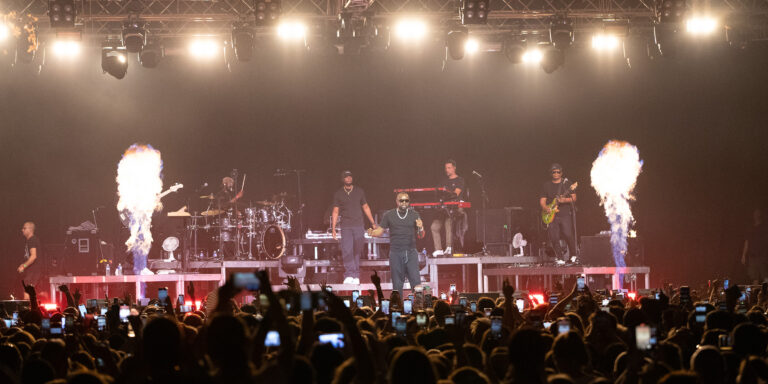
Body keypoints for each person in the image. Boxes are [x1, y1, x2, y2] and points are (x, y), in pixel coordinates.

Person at [369, 192, 425, 293]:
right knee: (397, 284)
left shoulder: (415, 214)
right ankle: (398, 306)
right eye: (401, 200)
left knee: (416, 283)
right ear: (397, 201)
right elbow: (380, 231)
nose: (404, 202)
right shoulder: (389, 215)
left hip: (411, 252)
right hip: (396, 253)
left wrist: (420, 227)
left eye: (406, 200)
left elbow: (421, 235)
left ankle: (418, 306)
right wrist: (372, 233)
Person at [332, 170, 377, 285]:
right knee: (347, 250)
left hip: (358, 225)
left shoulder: (359, 191)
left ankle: (355, 275)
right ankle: (349, 274)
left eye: (350, 177)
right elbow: (335, 211)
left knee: (357, 250)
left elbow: (366, 207)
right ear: (343, 179)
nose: (348, 178)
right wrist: (333, 229)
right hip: (346, 226)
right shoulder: (338, 194)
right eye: (346, 177)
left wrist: (373, 223)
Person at [540, 163, 578, 264]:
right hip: (552, 215)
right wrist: (545, 208)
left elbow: (574, 198)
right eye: (554, 172)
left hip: (565, 214)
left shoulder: (567, 183)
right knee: (553, 237)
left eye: (558, 172)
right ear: (551, 173)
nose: (556, 173)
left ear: (561, 173)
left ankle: (573, 255)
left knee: (568, 234)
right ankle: (560, 258)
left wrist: (564, 200)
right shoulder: (546, 185)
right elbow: (542, 200)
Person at [431, 159, 466, 257]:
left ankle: (449, 247)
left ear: (454, 168)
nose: (447, 170)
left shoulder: (460, 180)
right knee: (434, 226)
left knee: (448, 220)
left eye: (449, 168)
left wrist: (445, 195)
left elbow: (456, 193)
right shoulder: (443, 181)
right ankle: (438, 249)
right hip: (444, 207)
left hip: (455, 207)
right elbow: (437, 192)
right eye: (446, 168)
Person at [742, 208, 768, 283]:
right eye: (755, 213)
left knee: (765, 276)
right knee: (754, 277)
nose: (756, 215)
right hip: (752, 256)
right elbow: (747, 241)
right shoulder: (750, 228)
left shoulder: (764, 227)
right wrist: (743, 255)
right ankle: (755, 293)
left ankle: (765, 293)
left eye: (758, 213)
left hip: (762, 256)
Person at [17, 221, 42, 299]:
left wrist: (23, 266)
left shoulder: (32, 240)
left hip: (34, 270)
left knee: (28, 289)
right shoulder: (30, 240)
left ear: (30, 229)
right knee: (28, 289)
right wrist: (23, 264)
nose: (22, 230)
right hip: (32, 270)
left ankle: (28, 309)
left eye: (24, 228)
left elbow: (33, 256)